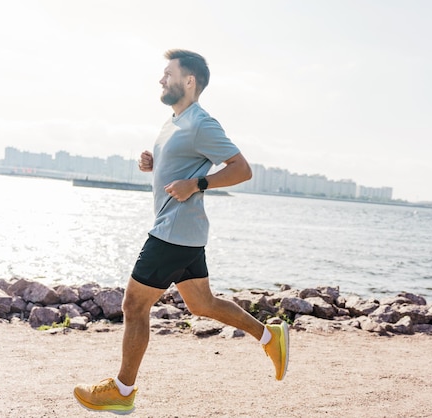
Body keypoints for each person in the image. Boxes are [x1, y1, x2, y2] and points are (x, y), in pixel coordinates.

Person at [73, 49, 289, 414]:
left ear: (189, 81)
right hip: (185, 232)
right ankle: (270, 335)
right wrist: (154, 164)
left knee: (134, 304)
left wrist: (198, 184)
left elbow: (242, 169)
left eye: (168, 73)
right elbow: (181, 163)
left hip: (172, 232)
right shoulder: (174, 121)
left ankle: (123, 391)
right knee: (201, 304)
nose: (161, 79)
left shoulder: (202, 123)